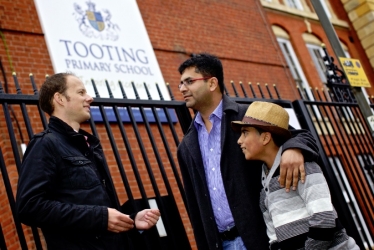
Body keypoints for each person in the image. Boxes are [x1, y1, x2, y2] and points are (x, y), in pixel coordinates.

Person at [176, 53, 319, 250]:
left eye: (189, 81)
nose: (182, 89)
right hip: (221, 244)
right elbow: (194, 206)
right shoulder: (186, 145)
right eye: (181, 84)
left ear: (212, 83)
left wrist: (292, 149)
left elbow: (303, 136)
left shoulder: (248, 114)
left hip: (263, 236)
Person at [16, 73, 160, 250]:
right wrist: (100, 217)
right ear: (59, 98)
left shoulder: (87, 145)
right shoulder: (45, 144)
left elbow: (95, 206)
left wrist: (129, 220)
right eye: (81, 92)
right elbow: (29, 206)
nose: (90, 98)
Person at [232, 101, 359, 250]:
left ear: (266, 138)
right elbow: (274, 239)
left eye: (245, 132)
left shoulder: (303, 166)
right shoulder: (265, 179)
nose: (239, 140)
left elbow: (324, 219)